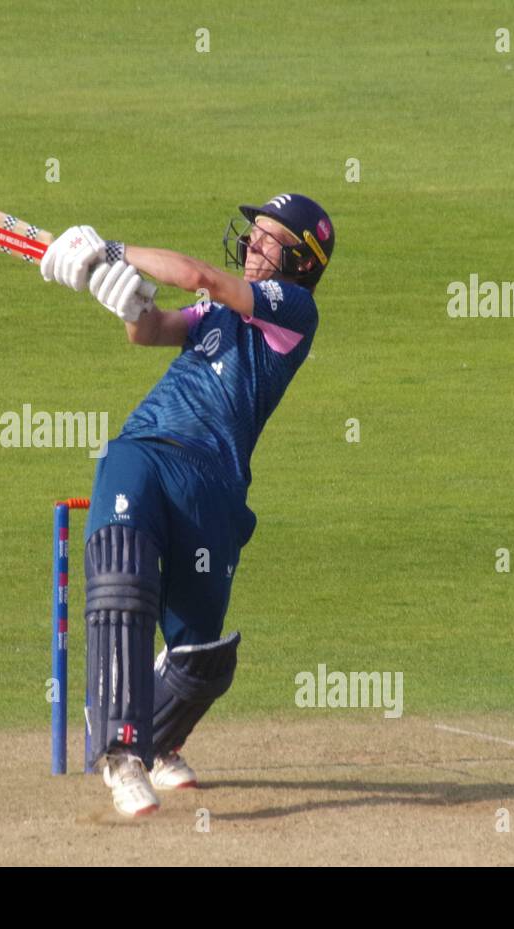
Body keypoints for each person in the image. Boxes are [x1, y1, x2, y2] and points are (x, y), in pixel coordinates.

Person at [40, 194, 335, 817]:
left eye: (269, 239)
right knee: (123, 581)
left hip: (215, 485)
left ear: (301, 261)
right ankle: (122, 757)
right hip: (146, 449)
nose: (253, 244)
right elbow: (149, 333)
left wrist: (111, 249)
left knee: (202, 660)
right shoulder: (212, 313)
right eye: (253, 234)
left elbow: (202, 275)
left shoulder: (294, 311)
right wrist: (128, 298)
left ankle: (161, 742)